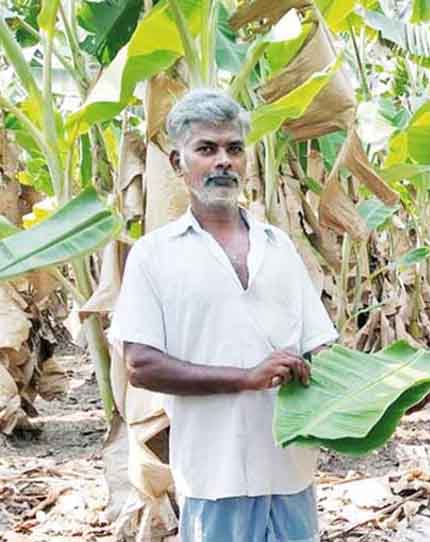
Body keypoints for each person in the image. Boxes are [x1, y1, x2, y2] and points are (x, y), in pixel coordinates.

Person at [109, 89, 338, 542]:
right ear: (178, 163)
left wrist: (387, 393)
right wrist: (245, 378)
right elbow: (140, 365)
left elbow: (320, 347)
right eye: (207, 149)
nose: (223, 161)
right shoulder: (155, 256)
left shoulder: (280, 247)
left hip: (289, 467)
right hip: (216, 473)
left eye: (234, 149)